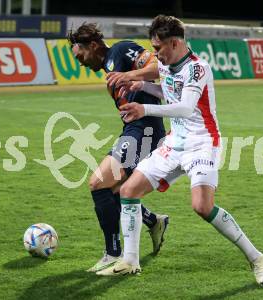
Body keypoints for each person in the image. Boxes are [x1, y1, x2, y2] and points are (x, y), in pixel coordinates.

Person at [97, 15, 263, 288]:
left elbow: (185, 107)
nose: (155, 55)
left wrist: (145, 108)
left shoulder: (197, 69)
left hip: (202, 142)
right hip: (174, 142)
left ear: (175, 43)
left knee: (202, 207)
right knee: (128, 191)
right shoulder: (167, 64)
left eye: (158, 49)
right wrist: (142, 86)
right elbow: (168, 92)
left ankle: (256, 257)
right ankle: (130, 261)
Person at [66, 23, 172, 273]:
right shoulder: (108, 69)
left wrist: (130, 75)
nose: (80, 62)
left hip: (145, 130)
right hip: (133, 132)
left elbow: (159, 67)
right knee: (113, 190)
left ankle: (113, 253)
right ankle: (153, 221)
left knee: (97, 183)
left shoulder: (122, 50)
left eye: (80, 55)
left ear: (92, 46)